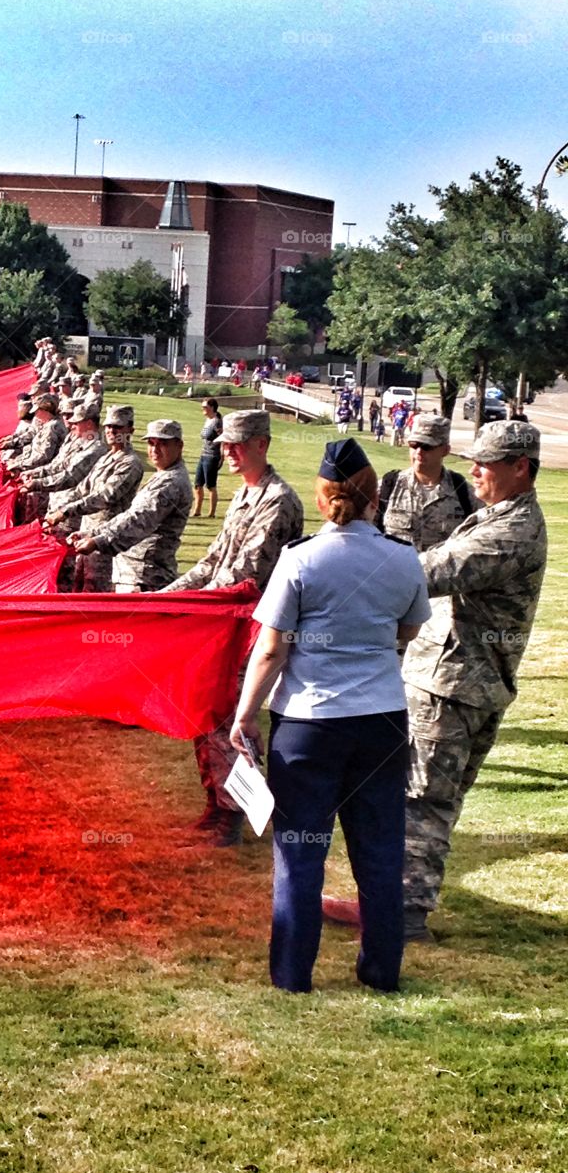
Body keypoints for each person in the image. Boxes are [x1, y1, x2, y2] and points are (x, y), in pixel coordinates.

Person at [324, 420, 547, 942]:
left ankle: (402, 917)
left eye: (487, 463)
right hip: (450, 677)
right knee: (416, 795)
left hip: (456, 684)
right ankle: (383, 902)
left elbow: (428, 570)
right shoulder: (495, 514)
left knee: (421, 801)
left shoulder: (509, 531)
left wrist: (345, 556)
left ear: (521, 468)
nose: (474, 470)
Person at [231, 439, 430, 993]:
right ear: (374, 496)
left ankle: (293, 974)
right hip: (381, 720)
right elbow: (407, 632)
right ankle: (381, 970)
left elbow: (272, 649)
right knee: (380, 851)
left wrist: (246, 715)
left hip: (309, 725)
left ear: (322, 499)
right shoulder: (402, 556)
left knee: (300, 853)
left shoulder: (301, 559)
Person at [164, 409, 305, 847]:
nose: (227, 451)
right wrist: (169, 596)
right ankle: (216, 803)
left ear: (262, 444)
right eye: (224, 444)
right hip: (223, 626)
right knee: (209, 714)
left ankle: (234, 815)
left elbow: (246, 574)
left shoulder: (277, 500)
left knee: (233, 723)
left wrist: (194, 603)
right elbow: (213, 559)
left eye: (236, 444)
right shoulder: (245, 495)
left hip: (254, 630)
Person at [68, 419, 192, 592]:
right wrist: (92, 533)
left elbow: (139, 519)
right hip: (133, 573)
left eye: (163, 444)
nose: (155, 450)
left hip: (146, 575)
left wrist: (98, 541)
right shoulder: (163, 475)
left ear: (179, 445)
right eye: (151, 443)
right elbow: (130, 513)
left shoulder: (171, 483)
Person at [45, 405, 145, 592]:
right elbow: (83, 489)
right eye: (108, 427)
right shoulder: (106, 458)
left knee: (94, 591)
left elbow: (105, 496)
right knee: (77, 586)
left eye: (118, 427)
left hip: (104, 540)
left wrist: (66, 511)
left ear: (130, 430)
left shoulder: (130, 463)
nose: (111, 431)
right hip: (84, 535)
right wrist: (57, 511)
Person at [375, 413, 480, 552]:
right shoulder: (387, 487)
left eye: (427, 446)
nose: (418, 452)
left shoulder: (464, 493)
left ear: (445, 450)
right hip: (396, 572)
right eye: (413, 445)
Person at [191, 397, 223, 518]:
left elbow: (223, 439)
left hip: (212, 456)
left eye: (205, 407)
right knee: (198, 484)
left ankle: (212, 513)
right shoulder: (208, 420)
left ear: (212, 408)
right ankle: (197, 510)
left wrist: (222, 456)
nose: (203, 409)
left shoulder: (217, 422)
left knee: (210, 485)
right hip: (203, 454)